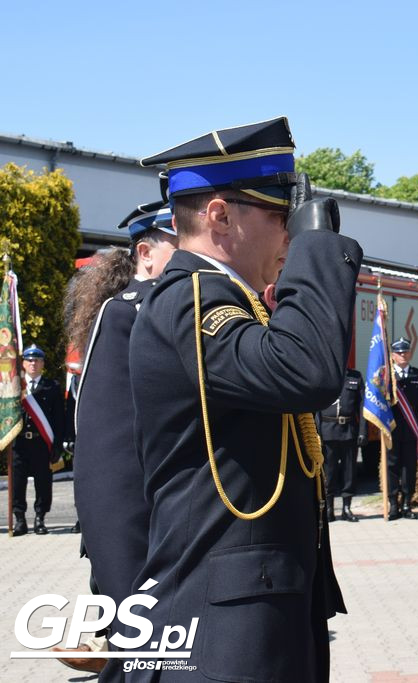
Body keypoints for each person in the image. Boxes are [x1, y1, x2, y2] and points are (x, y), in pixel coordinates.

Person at [130, 118, 359, 681]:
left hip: (251, 617)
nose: (288, 235)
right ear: (220, 215)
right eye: (281, 217)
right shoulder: (191, 301)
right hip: (217, 631)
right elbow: (305, 370)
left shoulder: (232, 300)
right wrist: (316, 249)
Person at [58, 202, 177, 678]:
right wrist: (118, 547)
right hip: (134, 523)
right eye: (179, 244)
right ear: (146, 253)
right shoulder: (129, 313)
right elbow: (108, 450)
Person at [10, 345, 65, 536]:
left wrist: (58, 444)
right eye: (30, 360)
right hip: (19, 444)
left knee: (43, 482)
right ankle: (19, 519)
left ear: (43, 363)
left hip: (42, 443)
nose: (33, 363)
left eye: (37, 360)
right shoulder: (15, 387)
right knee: (18, 482)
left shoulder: (52, 387)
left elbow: (59, 419)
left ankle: (40, 518)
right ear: (23, 363)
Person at [383, 337, 418, 520]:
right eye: (399, 352)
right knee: (392, 467)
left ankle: (407, 503)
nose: (403, 355)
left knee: (409, 469)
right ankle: (393, 504)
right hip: (392, 431)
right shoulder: (386, 377)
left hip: (412, 431)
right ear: (393, 355)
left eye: (406, 352)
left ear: (410, 353)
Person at [318, 369, 364, 522]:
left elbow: (362, 406)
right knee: (328, 473)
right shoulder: (323, 373)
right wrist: (317, 431)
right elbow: (315, 406)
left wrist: (362, 431)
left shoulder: (355, 377)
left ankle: (346, 508)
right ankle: (329, 508)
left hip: (348, 431)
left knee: (349, 472)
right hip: (327, 431)